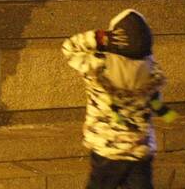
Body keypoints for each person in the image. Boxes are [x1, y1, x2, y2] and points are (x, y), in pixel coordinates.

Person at [63, 10, 167, 189]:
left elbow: (69, 48)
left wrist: (100, 37)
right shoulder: (150, 72)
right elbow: (156, 104)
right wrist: (168, 114)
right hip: (138, 150)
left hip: (107, 149)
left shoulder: (98, 66)